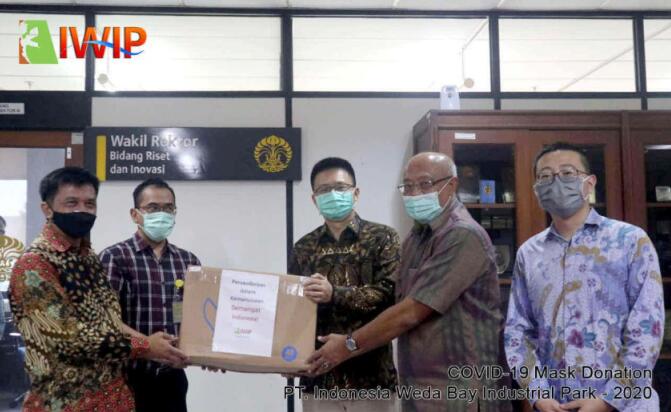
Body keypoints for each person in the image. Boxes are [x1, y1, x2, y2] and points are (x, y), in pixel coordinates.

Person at [306, 152, 504, 412]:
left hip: (459, 390)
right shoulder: (416, 237)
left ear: (452, 184)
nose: (415, 193)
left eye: (425, 184)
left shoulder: (461, 235)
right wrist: (289, 354)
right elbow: (394, 298)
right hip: (417, 386)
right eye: (408, 186)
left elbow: (410, 311)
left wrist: (348, 344)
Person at [9, 167, 186, 411]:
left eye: (89, 204)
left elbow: (109, 320)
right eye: (71, 203)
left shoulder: (88, 258)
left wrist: (199, 351)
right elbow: (69, 339)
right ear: (47, 209)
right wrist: (146, 346)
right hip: (66, 401)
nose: (82, 210)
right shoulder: (34, 265)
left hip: (113, 398)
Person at [504, 142, 665, 412]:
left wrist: (609, 399)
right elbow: (518, 332)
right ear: (537, 189)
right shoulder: (529, 254)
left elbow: (648, 327)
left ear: (589, 183)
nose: (556, 182)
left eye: (567, 173)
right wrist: (537, 394)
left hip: (626, 405)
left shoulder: (630, 241)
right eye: (545, 176)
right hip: (556, 404)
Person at [289, 157, 400, 412]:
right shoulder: (304, 247)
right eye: (324, 190)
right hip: (319, 379)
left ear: (355, 193)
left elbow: (390, 295)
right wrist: (286, 354)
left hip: (373, 380)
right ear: (314, 199)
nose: (333, 195)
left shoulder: (383, 238)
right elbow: (294, 307)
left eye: (340, 187)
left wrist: (334, 294)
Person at [100, 178, 201, 412]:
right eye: (153, 208)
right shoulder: (114, 257)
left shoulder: (188, 261)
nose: (162, 214)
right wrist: (147, 345)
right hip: (126, 379)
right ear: (135, 214)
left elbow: (195, 318)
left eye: (168, 208)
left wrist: (207, 352)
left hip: (172, 380)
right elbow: (104, 320)